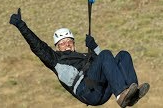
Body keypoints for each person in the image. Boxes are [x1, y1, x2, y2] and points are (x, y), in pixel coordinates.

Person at [9, 8, 150, 107]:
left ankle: (132, 95)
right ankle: (121, 95)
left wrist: (93, 47)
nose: (67, 45)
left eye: (69, 41)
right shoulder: (55, 60)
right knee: (105, 54)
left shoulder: (84, 56)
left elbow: (107, 64)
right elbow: (38, 47)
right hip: (87, 90)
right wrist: (22, 26)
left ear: (74, 43)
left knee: (123, 55)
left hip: (101, 89)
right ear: (57, 47)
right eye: (62, 43)